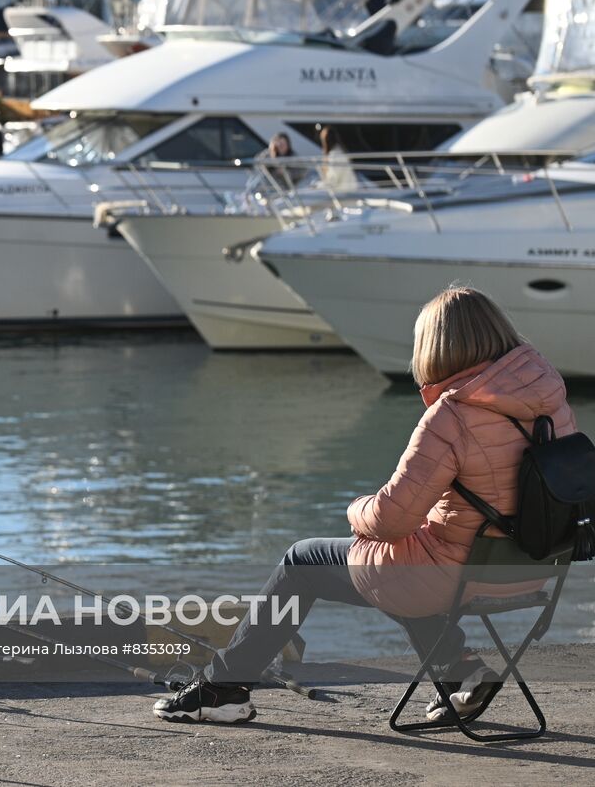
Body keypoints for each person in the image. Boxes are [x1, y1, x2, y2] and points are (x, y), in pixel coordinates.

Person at [153, 286, 575, 725]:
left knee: (304, 560)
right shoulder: (550, 399)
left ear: (434, 347)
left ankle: (223, 688)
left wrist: (356, 509)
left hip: (457, 576)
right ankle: (461, 673)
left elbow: (390, 519)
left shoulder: (451, 416)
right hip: (532, 567)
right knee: (407, 555)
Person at [317, 124, 360, 192]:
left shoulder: (335, 156)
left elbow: (332, 181)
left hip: (345, 195)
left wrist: (318, 186)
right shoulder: (340, 151)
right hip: (350, 191)